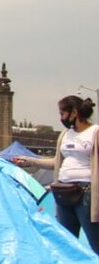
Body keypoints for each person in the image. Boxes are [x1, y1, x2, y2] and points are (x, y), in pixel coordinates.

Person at [15, 96, 99, 253]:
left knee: (95, 239)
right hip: (63, 190)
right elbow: (57, 162)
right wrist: (30, 161)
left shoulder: (95, 132)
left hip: (86, 191)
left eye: (62, 114)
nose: (61, 118)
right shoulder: (66, 135)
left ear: (74, 113)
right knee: (66, 242)